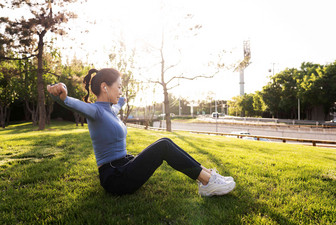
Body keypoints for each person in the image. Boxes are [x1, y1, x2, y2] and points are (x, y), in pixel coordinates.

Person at [47, 68, 236, 196]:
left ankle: (208, 176)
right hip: (114, 177)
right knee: (163, 146)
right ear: (105, 87)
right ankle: (207, 181)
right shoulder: (94, 111)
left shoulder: (111, 109)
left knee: (165, 143)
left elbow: (118, 105)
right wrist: (60, 90)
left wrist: (120, 99)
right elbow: (68, 102)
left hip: (123, 164)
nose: (121, 90)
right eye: (119, 87)